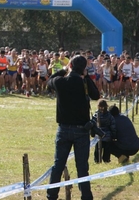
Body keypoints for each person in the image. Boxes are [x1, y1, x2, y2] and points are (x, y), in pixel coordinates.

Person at [46, 55, 100, 200]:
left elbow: (49, 81)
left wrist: (63, 70)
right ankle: (86, 196)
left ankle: (51, 196)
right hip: (82, 130)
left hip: (63, 129)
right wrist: (86, 77)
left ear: (70, 65)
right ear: (84, 69)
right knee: (82, 167)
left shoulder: (60, 81)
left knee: (58, 166)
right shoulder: (84, 83)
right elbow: (96, 95)